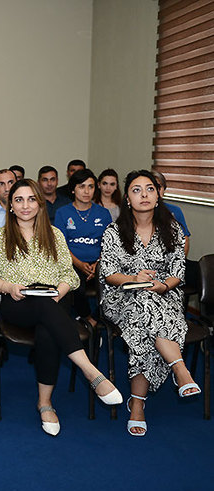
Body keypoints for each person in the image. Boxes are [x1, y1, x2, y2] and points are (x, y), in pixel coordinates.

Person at [0, 179, 122, 436]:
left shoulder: (55, 234)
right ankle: (90, 371)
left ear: (40, 203)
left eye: (31, 199)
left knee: (48, 328)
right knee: (46, 311)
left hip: (54, 301)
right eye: (19, 200)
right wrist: (10, 287)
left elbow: (70, 275)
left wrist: (60, 291)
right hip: (17, 303)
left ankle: (45, 403)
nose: (25, 205)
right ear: (10, 205)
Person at [99, 170, 199, 437]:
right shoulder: (113, 231)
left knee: (143, 323)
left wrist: (163, 285)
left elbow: (178, 271)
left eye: (149, 189)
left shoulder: (173, 229)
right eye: (136, 190)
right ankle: (179, 367)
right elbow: (108, 272)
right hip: (121, 296)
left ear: (158, 196)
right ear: (127, 199)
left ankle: (137, 404)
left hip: (165, 295)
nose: (143, 194)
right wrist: (133, 278)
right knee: (142, 300)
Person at [54, 169, 112, 328]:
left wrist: (97, 264)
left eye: (91, 187)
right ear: (73, 189)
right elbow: (61, 245)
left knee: (115, 286)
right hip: (72, 261)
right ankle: (86, 316)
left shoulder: (104, 213)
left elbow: (108, 244)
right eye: (82, 186)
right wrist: (79, 264)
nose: (87, 191)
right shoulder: (62, 213)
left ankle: (93, 319)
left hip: (99, 262)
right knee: (76, 285)